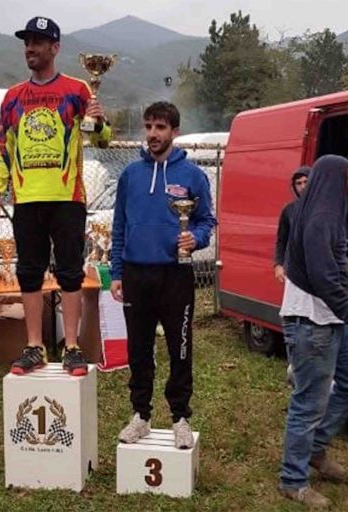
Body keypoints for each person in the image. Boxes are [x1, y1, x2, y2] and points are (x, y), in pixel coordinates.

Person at [0, 16, 112, 376]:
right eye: (27, 42)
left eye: (38, 42)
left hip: (67, 196)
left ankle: (71, 347)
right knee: (29, 273)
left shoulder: (77, 90)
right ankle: (34, 346)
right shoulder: (13, 96)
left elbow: (102, 140)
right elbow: (2, 146)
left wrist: (100, 121)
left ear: (55, 48)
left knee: (70, 272)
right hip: (26, 198)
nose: (30, 48)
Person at [110, 102, 215, 449]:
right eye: (148, 127)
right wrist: (117, 272)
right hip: (136, 273)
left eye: (160, 127)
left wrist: (195, 238)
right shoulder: (130, 175)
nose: (153, 134)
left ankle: (180, 417)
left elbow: (206, 221)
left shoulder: (193, 175)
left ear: (175, 132)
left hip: (176, 274)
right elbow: (119, 226)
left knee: (179, 347)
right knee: (138, 349)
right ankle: (140, 415)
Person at [278, 155, 348, 508]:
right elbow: (322, 276)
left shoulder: (326, 212)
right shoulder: (320, 215)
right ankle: (293, 479)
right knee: (308, 402)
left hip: (331, 318)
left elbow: (332, 246)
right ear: (334, 179)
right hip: (311, 321)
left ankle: (315, 448)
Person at [273, 167, 310, 283]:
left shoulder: (324, 207)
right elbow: (282, 240)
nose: (303, 187)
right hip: (295, 271)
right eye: (299, 183)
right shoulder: (289, 210)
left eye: (306, 182)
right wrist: (278, 264)